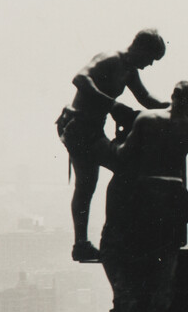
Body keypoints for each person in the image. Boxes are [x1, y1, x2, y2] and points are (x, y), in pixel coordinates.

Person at [98, 80, 188, 312]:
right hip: (173, 199)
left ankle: (125, 299)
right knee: (165, 261)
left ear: (172, 95)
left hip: (143, 194)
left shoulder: (147, 120)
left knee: (113, 247)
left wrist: (108, 143)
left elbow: (124, 156)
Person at [56, 29, 171, 262]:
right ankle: (88, 243)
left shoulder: (129, 70)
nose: (149, 65)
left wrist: (171, 108)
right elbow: (80, 79)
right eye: (150, 58)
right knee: (92, 183)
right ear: (140, 48)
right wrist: (113, 105)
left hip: (94, 131)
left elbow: (145, 98)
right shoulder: (110, 58)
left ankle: (92, 242)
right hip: (79, 128)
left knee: (106, 177)